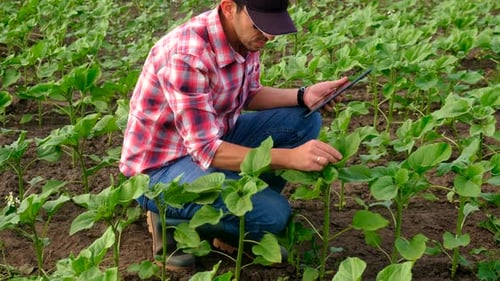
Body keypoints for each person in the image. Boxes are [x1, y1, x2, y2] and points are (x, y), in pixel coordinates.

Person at [119, 0, 347, 271]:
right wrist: (290, 158)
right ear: (229, 7)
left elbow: (248, 92)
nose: (270, 35)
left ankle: (234, 224)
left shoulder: (244, 37)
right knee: (274, 215)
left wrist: (303, 95)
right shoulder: (188, 56)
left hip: (211, 141)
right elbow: (207, 150)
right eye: (260, 25)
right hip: (160, 170)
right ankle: (167, 218)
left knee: (304, 120)